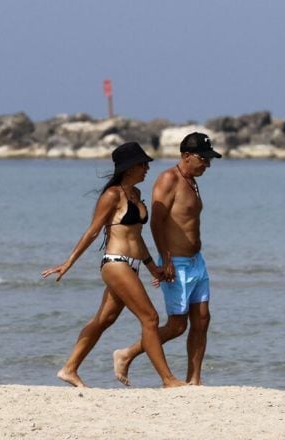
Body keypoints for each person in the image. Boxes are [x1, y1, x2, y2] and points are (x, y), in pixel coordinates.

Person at [41, 142, 187, 388]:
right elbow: (93, 232)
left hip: (132, 265)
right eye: (143, 164)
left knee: (104, 319)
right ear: (129, 167)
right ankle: (168, 379)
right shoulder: (112, 195)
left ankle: (69, 368)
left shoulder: (136, 195)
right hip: (115, 263)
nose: (147, 168)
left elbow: (137, 237)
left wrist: (153, 268)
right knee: (150, 318)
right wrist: (68, 263)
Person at [113, 132, 222, 386]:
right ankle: (126, 354)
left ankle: (194, 379)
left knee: (202, 319)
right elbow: (157, 224)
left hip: (197, 261)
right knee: (176, 326)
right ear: (185, 156)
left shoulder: (192, 181)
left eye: (209, 160)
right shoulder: (168, 180)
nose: (207, 164)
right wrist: (166, 260)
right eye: (203, 159)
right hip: (178, 263)